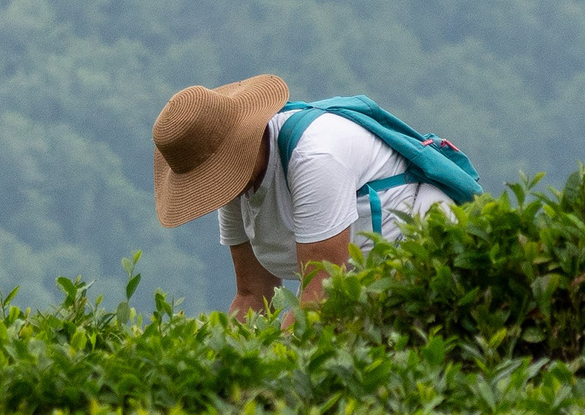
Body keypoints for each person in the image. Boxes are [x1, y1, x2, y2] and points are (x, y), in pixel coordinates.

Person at [150, 76, 472, 320]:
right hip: (361, 282)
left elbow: (322, 292)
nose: (210, 187)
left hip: (420, 249)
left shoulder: (315, 157)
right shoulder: (233, 185)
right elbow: (253, 293)